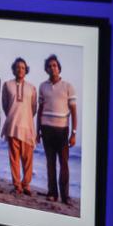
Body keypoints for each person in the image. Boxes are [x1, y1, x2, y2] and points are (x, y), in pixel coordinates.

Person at [37, 55, 78, 205]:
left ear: (59, 68)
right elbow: (40, 110)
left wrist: (73, 133)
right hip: (46, 129)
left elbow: (74, 111)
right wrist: (37, 132)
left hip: (62, 131)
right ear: (46, 69)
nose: (52, 68)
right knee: (50, 163)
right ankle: (52, 193)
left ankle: (65, 196)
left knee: (64, 164)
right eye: (49, 66)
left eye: (55, 65)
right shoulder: (43, 86)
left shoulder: (68, 86)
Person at [0, 57, 37, 196]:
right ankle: (17, 186)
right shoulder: (7, 85)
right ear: (14, 69)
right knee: (14, 158)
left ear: (26, 70)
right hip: (13, 125)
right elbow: (5, 105)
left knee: (28, 159)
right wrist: (13, 116)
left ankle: (26, 185)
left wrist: (25, 117)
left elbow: (33, 108)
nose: (20, 69)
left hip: (27, 127)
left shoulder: (32, 88)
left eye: (22, 67)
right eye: (17, 67)